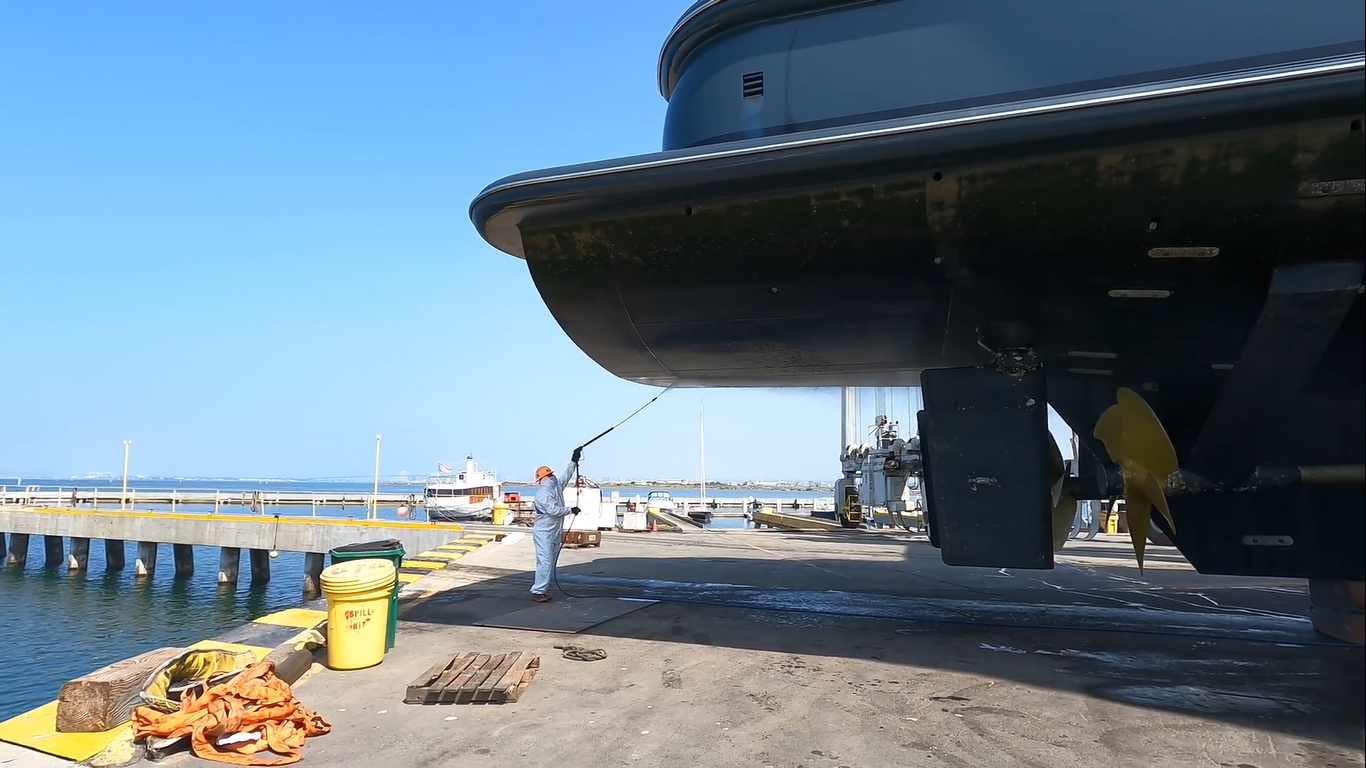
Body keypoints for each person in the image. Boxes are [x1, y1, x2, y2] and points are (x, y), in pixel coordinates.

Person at [530, 448, 581, 602]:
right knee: (545, 561)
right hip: (543, 533)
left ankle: (542, 589)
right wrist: (570, 510)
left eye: (552, 474)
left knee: (549, 562)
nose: (552, 477)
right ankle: (538, 591)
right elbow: (552, 510)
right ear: (544, 479)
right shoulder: (542, 494)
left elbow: (567, 475)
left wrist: (574, 460)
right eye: (549, 475)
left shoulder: (556, 487)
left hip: (554, 532)